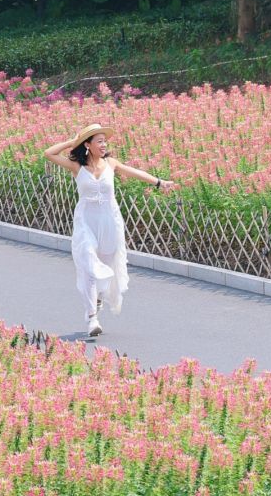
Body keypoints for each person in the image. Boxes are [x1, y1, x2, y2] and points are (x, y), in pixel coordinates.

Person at [42, 120, 176, 338]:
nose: (103, 145)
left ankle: (98, 298)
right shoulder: (77, 167)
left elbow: (134, 172)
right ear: (88, 144)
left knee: (106, 262)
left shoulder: (111, 164)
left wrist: (159, 183)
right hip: (86, 220)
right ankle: (92, 317)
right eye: (99, 141)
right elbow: (49, 153)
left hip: (109, 220)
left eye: (105, 141)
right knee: (87, 261)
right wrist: (72, 141)